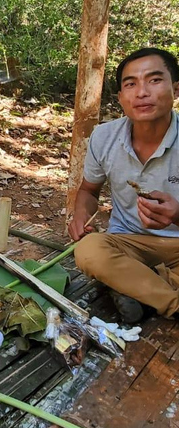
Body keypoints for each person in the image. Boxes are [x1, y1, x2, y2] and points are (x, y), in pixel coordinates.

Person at [69, 47, 179, 323]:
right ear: (120, 98)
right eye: (130, 84)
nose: (141, 92)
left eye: (154, 80)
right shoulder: (104, 137)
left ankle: (141, 287)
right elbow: (88, 191)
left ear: (176, 89)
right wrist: (80, 216)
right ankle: (171, 300)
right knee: (89, 251)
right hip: (127, 242)